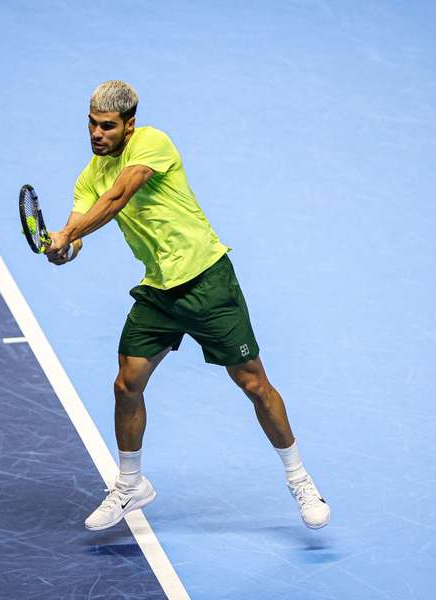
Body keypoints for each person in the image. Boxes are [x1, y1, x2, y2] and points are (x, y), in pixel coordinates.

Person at [44, 80, 330, 531]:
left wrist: (71, 235)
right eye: (91, 125)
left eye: (107, 126)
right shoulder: (89, 175)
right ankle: (131, 483)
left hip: (206, 281)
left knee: (254, 383)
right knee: (126, 384)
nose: (97, 134)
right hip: (159, 290)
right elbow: (77, 224)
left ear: (129, 125)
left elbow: (118, 198)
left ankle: (300, 479)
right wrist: (65, 247)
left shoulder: (152, 144)